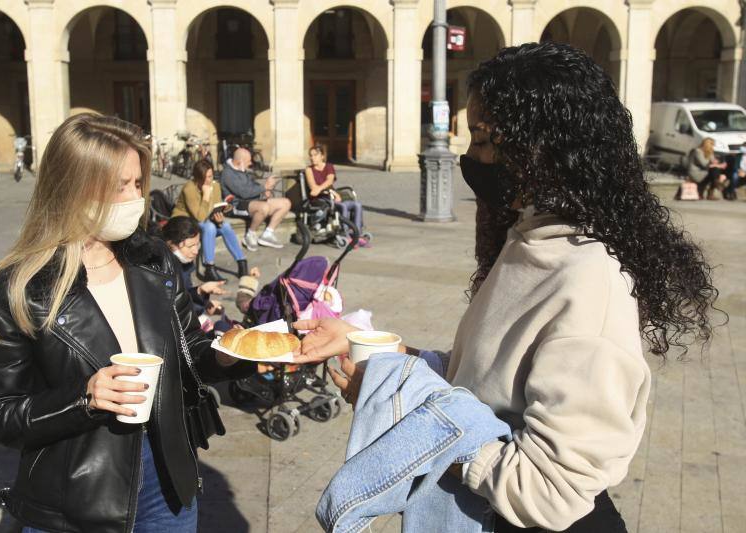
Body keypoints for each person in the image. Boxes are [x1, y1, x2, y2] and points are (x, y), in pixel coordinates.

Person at [294, 42, 719, 532]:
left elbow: (550, 490)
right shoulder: (528, 238)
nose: (468, 157)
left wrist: (411, 418)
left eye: (480, 138)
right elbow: (479, 383)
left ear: (536, 146)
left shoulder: (588, 280)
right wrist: (375, 350)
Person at [0, 113, 256, 533]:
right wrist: (83, 399)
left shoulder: (154, 260)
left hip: (166, 481)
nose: (134, 198)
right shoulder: (19, 287)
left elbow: (188, 354)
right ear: (71, 186)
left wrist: (232, 354)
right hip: (73, 500)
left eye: (138, 183)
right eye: (119, 186)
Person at [172, 159, 248, 281]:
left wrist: (220, 214)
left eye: (211, 175)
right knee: (209, 227)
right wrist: (206, 195)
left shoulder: (215, 185)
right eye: (207, 177)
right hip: (184, 223)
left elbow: (214, 208)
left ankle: (242, 262)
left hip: (204, 223)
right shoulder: (189, 188)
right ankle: (209, 268)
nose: (210, 180)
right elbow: (200, 216)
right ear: (198, 178)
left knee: (225, 226)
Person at [220, 147, 291, 250]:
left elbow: (252, 185)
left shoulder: (242, 169)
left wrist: (264, 192)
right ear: (240, 161)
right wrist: (264, 187)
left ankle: (268, 234)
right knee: (264, 207)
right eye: (248, 161)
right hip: (235, 205)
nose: (250, 163)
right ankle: (250, 235)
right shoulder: (227, 173)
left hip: (251, 203)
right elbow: (244, 193)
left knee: (285, 203)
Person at [161, 215, 228, 317]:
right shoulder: (163, 271)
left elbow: (185, 293)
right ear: (171, 244)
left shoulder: (183, 261)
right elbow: (175, 307)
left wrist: (201, 294)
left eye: (197, 244)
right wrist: (200, 291)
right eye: (191, 246)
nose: (196, 251)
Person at [304, 144, 364, 237]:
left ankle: (358, 234)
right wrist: (330, 191)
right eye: (311, 155)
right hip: (320, 199)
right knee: (343, 206)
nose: (312, 158)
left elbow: (329, 180)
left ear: (322, 156)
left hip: (331, 195)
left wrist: (327, 190)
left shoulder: (329, 166)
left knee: (357, 205)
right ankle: (345, 233)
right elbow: (313, 188)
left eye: (315, 155)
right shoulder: (309, 170)